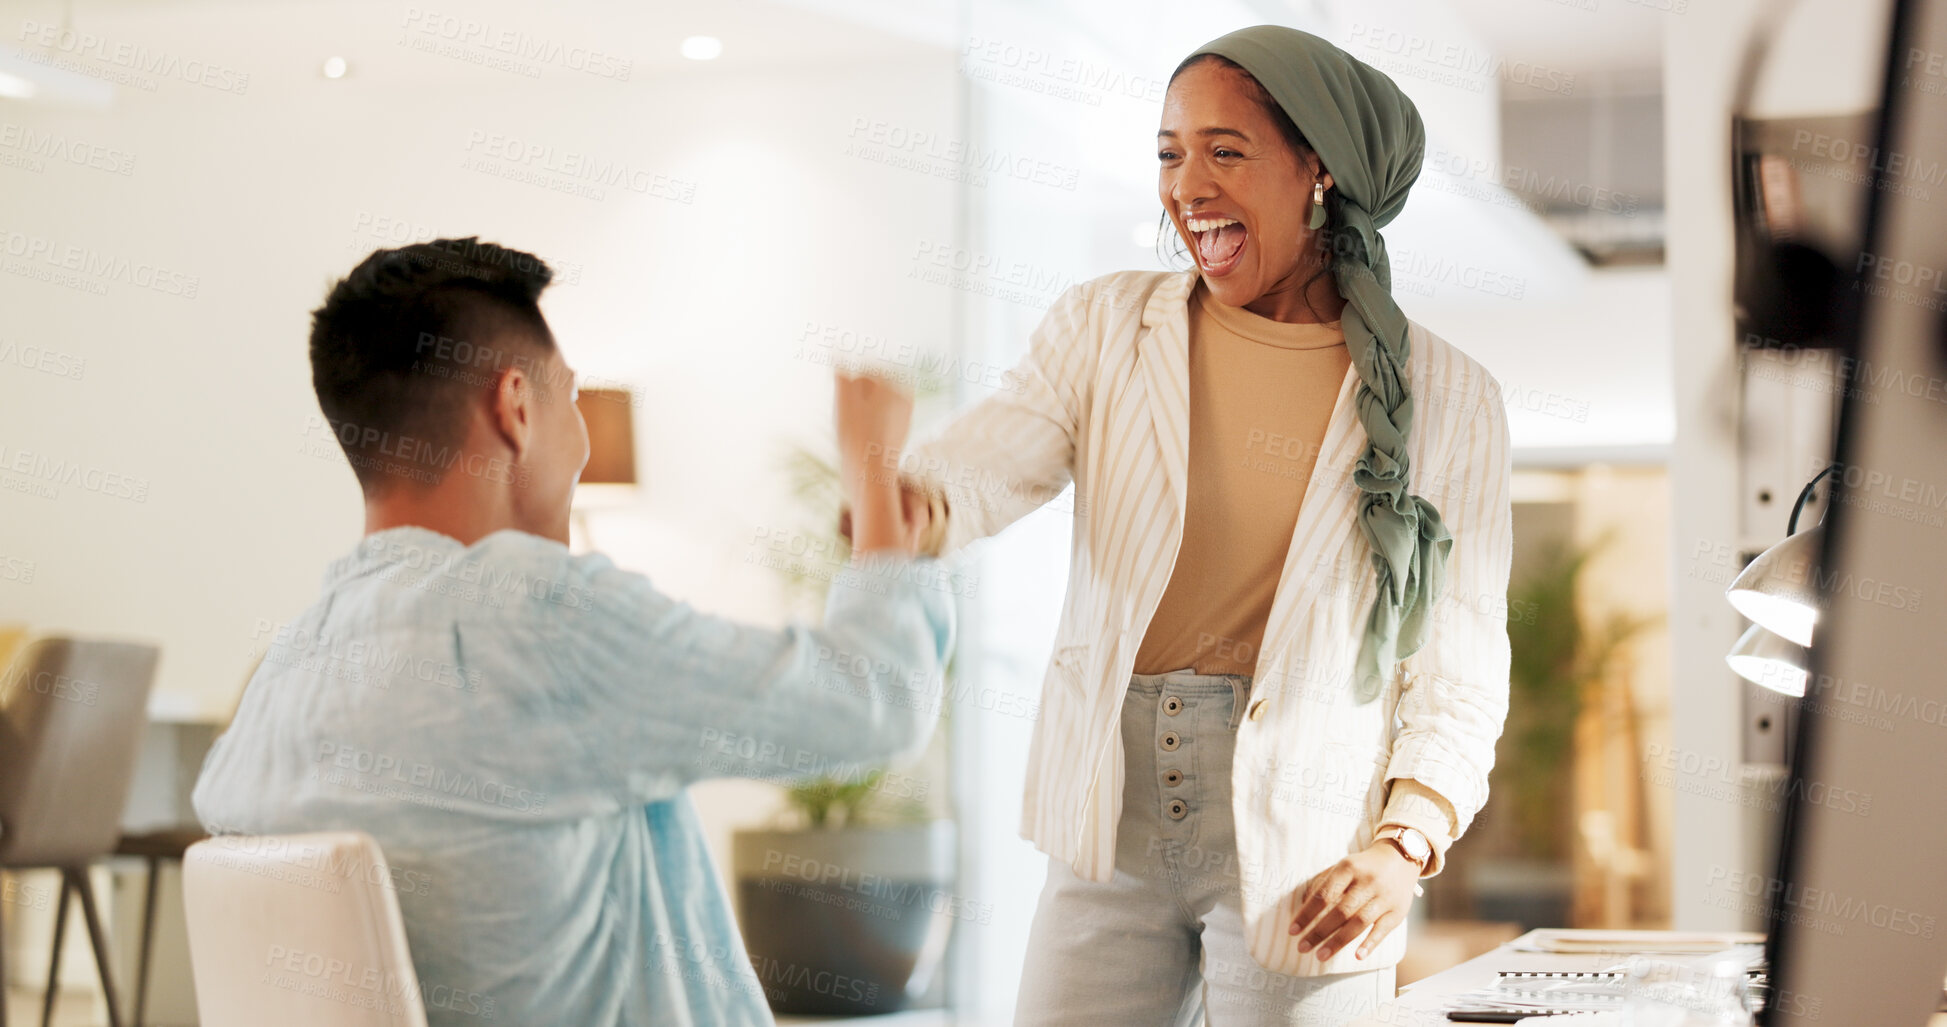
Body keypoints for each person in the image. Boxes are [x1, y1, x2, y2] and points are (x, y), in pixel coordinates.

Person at [894, 25, 1513, 1025]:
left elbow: (1462, 663)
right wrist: (910, 500)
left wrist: (1403, 846)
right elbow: (998, 456)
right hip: (1111, 819)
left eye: (1225, 151)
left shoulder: (1447, 396)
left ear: (1318, 169)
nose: (1187, 186)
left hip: (1307, 838)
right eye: (1170, 154)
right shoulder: (1107, 325)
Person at [192, 238, 953, 1026]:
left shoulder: (279, 675)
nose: (581, 441)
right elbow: (875, 700)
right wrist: (873, 480)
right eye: (571, 399)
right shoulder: (537, 617)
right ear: (515, 407)